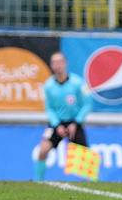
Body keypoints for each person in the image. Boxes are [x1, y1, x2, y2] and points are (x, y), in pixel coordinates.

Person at [34, 51, 92, 181]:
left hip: (74, 123)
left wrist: (76, 123)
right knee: (42, 151)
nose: (57, 65)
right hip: (57, 124)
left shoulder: (79, 83)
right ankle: (37, 182)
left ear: (65, 63)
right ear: (51, 65)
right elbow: (49, 109)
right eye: (54, 62)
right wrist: (57, 125)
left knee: (86, 158)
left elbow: (88, 105)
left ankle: (92, 186)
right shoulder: (48, 86)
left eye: (60, 62)